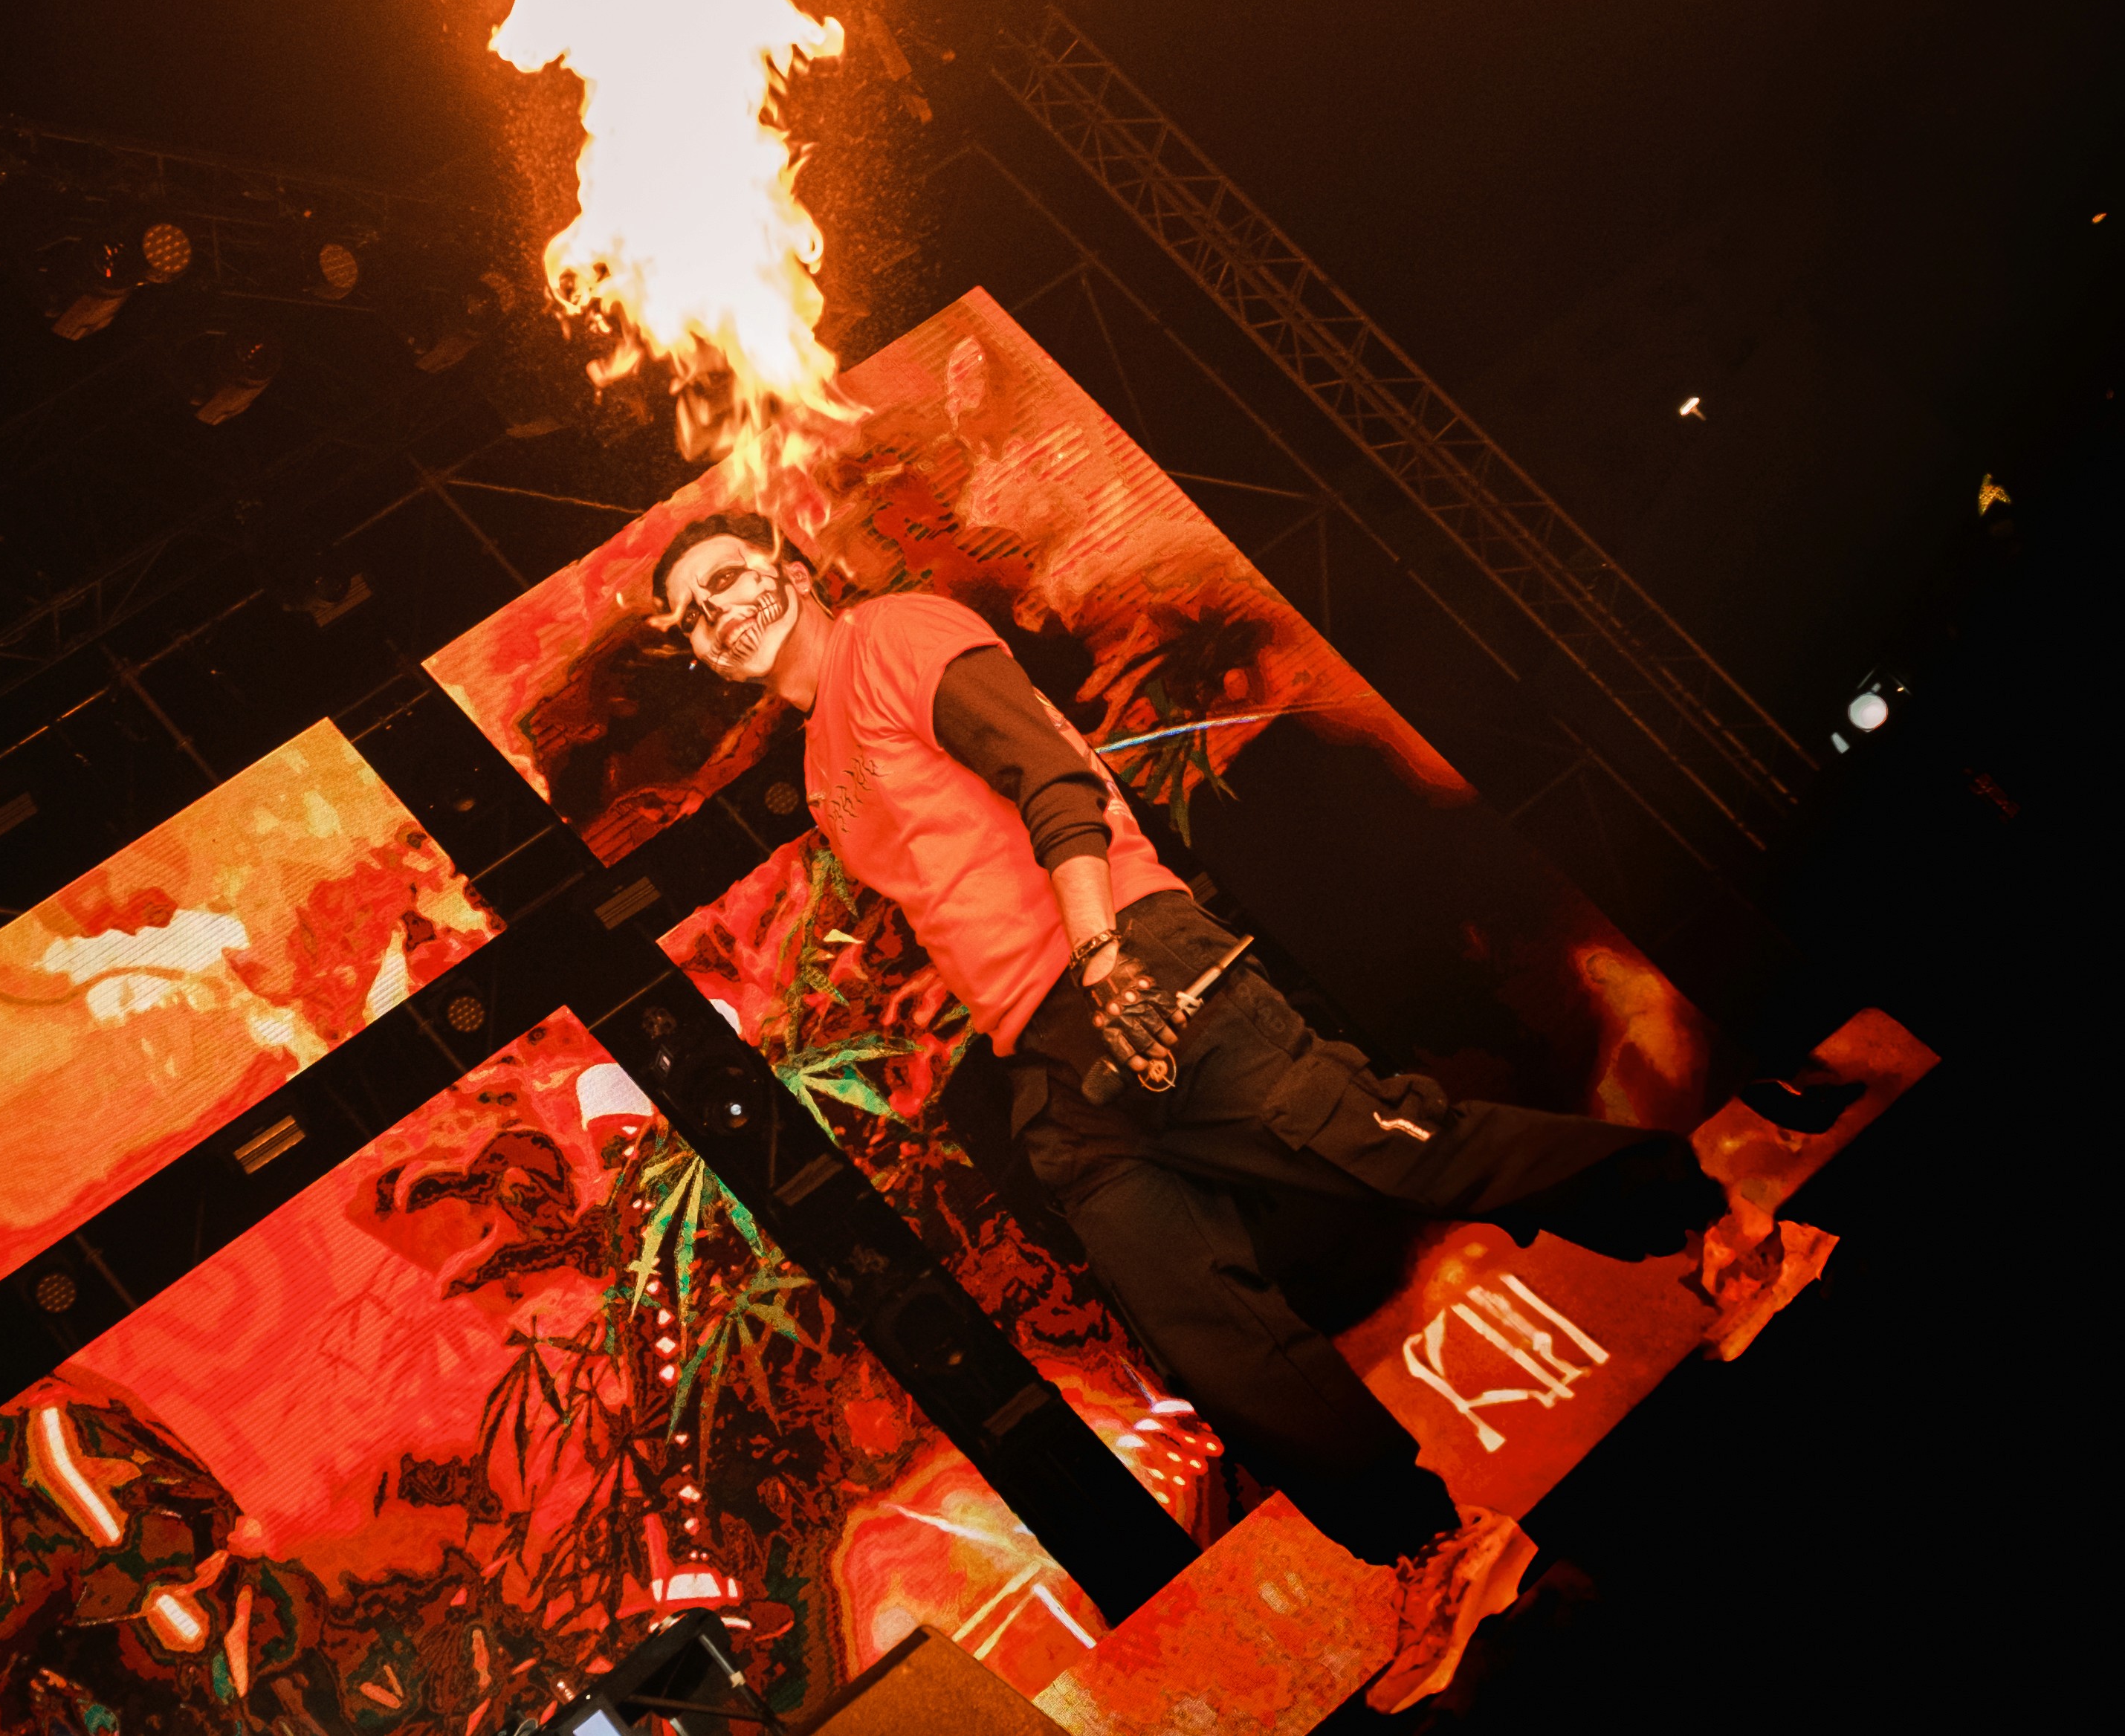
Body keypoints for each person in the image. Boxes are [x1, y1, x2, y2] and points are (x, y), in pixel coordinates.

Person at [653, 512, 1736, 1712]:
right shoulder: (818, 768)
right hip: (1046, 1051)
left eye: (728, 579)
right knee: (1201, 1324)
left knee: (1385, 1146)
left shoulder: (896, 636)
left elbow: (1053, 777)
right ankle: (1438, 1550)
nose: (719, 613)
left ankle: (1712, 1223)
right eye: (691, 613)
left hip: (1128, 959)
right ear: (695, 653)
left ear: (787, 570)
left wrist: (1103, 954)